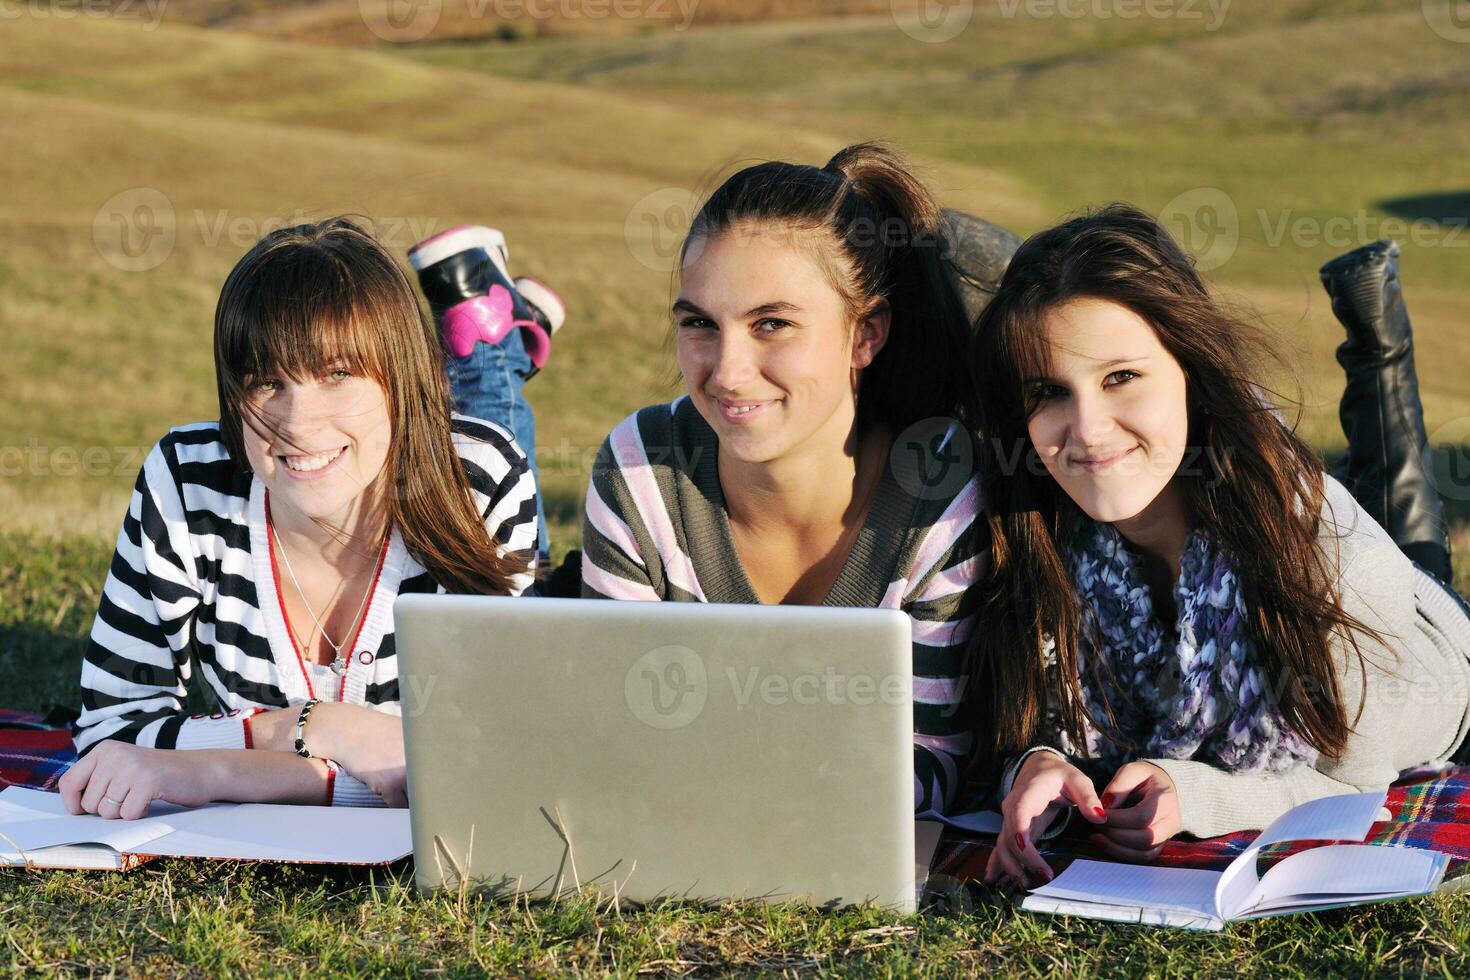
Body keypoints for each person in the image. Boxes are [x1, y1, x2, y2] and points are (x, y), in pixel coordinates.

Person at [964, 203, 1470, 889]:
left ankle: (1379, 353)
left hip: (1438, 659)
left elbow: (1354, 783)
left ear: (1191, 373)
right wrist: (1037, 762)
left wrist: (1196, 792)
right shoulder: (1042, 533)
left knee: (1411, 533)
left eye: (1121, 378)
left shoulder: (1324, 551)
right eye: (1050, 390)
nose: (1085, 427)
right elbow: (1039, 717)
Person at [62, 217, 540, 819]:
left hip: (454, 467)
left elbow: (487, 762)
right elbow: (111, 730)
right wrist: (321, 729)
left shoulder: (483, 482)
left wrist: (219, 768)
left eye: (338, 374)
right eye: (267, 382)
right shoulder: (187, 481)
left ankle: (495, 345)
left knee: (494, 414)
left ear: (400, 377)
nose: (298, 424)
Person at [580, 142, 988, 816]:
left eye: (772, 324)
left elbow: (933, 759)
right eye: (700, 325)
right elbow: (620, 729)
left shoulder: (938, 495)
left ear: (867, 335)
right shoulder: (639, 466)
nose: (729, 371)